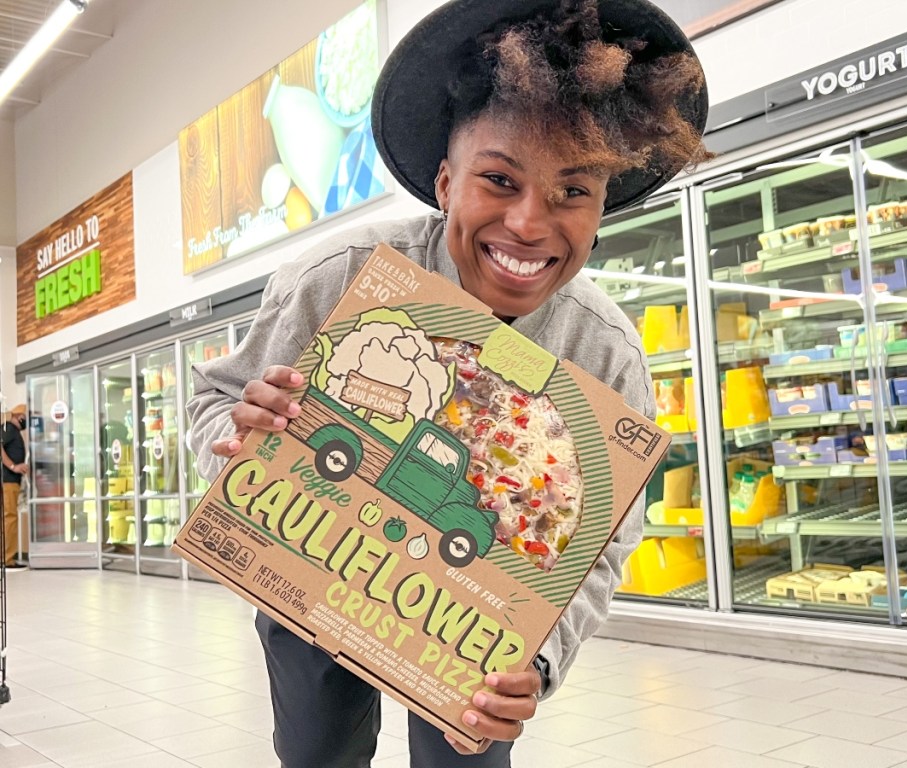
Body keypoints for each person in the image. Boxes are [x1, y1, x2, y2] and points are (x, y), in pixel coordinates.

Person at [186, 1, 710, 765]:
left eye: (573, 193)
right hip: (312, 567)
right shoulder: (340, 275)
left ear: (601, 210)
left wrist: (539, 658)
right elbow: (216, 401)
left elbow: (599, 542)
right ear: (444, 181)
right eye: (499, 180)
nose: (530, 223)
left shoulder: (603, 354)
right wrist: (238, 435)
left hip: (474, 609)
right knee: (316, 750)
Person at [2, 404, 29, 570]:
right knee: (10, 518)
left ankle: (4, 558)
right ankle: (8, 560)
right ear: (19, 415)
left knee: (6, 518)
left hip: (8, 480)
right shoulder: (9, 429)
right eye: (25, 417)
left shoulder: (11, 430)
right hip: (8, 481)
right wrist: (13, 466)